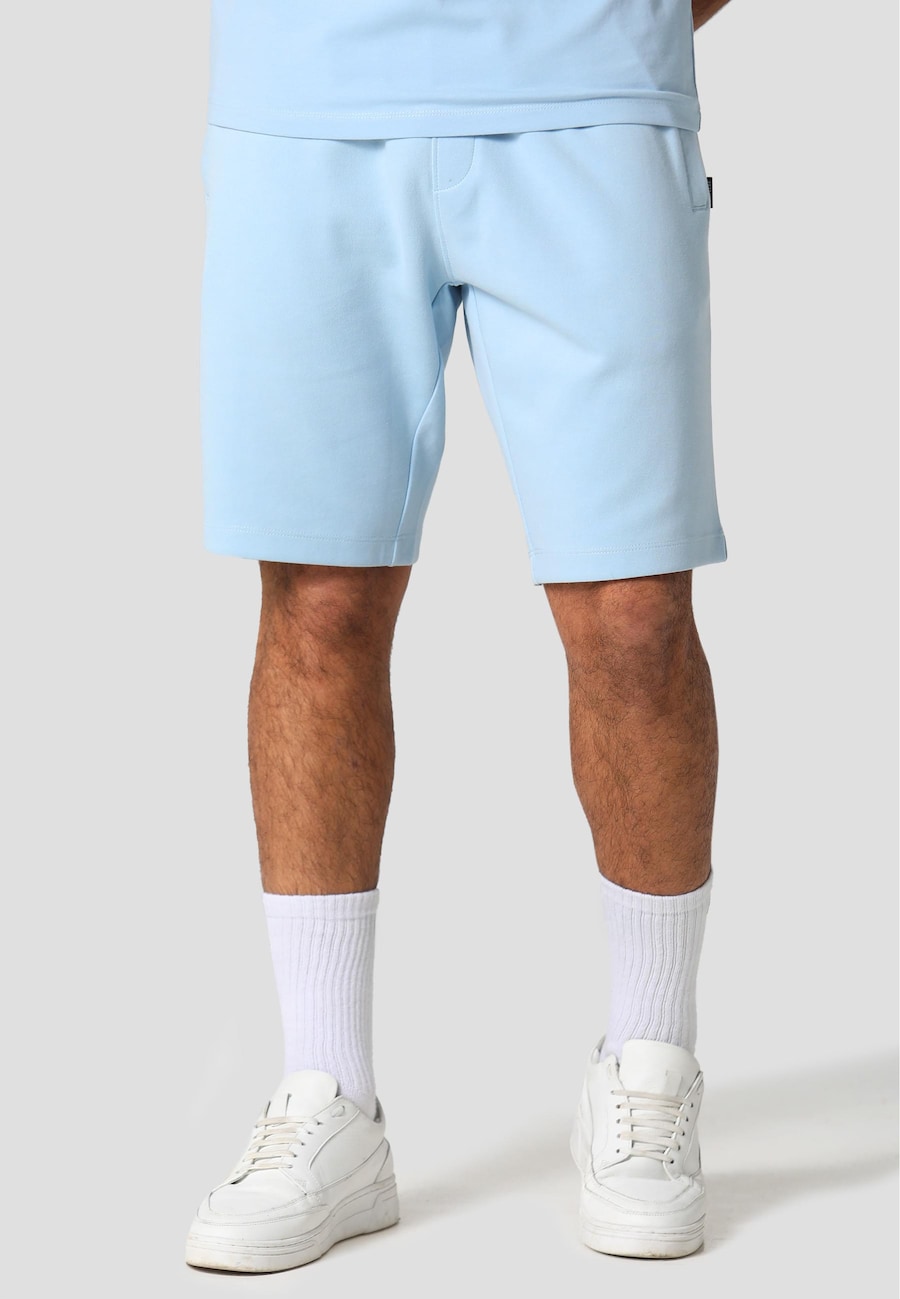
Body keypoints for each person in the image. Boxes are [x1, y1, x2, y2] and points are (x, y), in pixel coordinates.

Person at [185, 0, 733, 1271]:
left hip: (593, 96)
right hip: (305, 102)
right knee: (319, 599)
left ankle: (651, 1061)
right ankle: (329, 1095)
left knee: (634, 613)